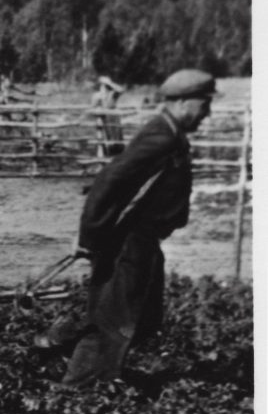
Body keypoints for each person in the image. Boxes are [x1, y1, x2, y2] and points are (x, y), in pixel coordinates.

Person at [35, 69, 216, 388]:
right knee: (112, 323)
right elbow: (109, 181)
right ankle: (78, 393)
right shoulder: (160, 135)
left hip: (143, 241)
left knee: (146, 318)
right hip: (127, 242)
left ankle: (59, 342)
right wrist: (90, 238)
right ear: (185, 102)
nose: (207, 113)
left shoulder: (171, 134)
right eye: (204, 104)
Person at [92, 75, 126, 157]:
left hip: (114, 116)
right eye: (103, 85)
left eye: (105, 85)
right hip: (105, 117)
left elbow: (121, 90)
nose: (104, 87)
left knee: (117, 135)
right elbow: (93, 106)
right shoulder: (97, 95)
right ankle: (109, 152)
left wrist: (110, 83)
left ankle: (118, 151)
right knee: (107, 135)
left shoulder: (113, 93)